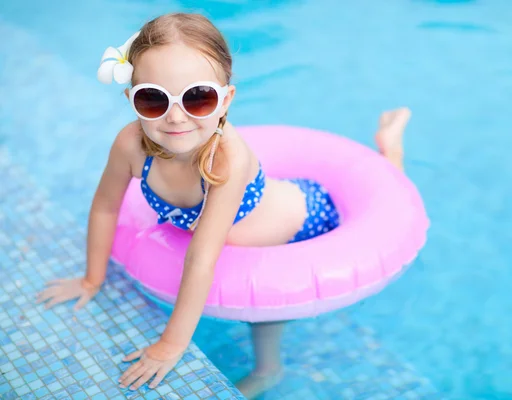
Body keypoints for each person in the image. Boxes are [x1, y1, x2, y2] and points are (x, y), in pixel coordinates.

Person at [35, 12, 412, 399]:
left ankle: (268, 370)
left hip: (304, 222)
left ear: (225, 98)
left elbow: (201, 257)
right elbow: (104, 207)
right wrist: (91, 279)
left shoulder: (223, 159)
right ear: (131, 99)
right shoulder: (130, 145)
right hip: (264, 216)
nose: (175, 116)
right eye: (153, 99)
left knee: (267, 310)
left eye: (198, 98)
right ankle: (388, 150)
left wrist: (170, 345)